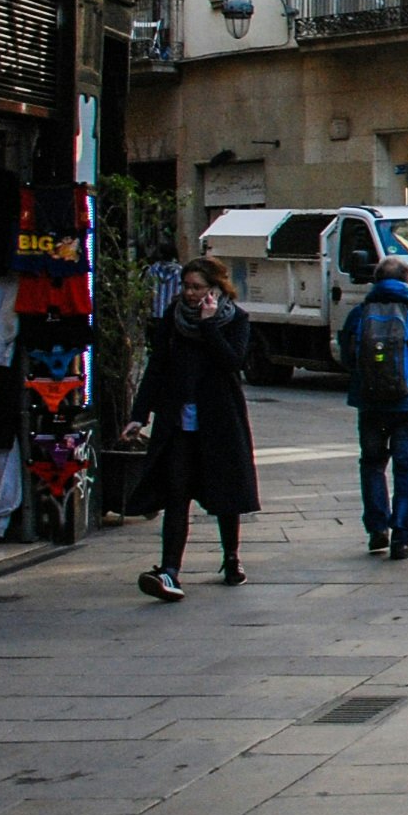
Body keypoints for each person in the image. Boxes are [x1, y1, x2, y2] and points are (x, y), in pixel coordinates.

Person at [126, 257, 261, 601]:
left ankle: (231, 558)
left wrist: (209, 325)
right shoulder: (171, 322)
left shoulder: (236, 319)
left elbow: (234, 362)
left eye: (197, 287)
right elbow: (156, 369)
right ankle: (169, 570)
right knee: (176, 494)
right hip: (178, 424)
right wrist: (139, 415)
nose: (189, 293)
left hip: (219, 421)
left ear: (215, 289)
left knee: (224, 494)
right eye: (186, 286)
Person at [338, 257, 408, 561]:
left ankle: (377, 530)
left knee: (372, 464)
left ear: (375, 282)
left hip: (370, 403)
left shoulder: (359, 314)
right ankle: (401, 537)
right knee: (405, 467)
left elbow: (347, 357)